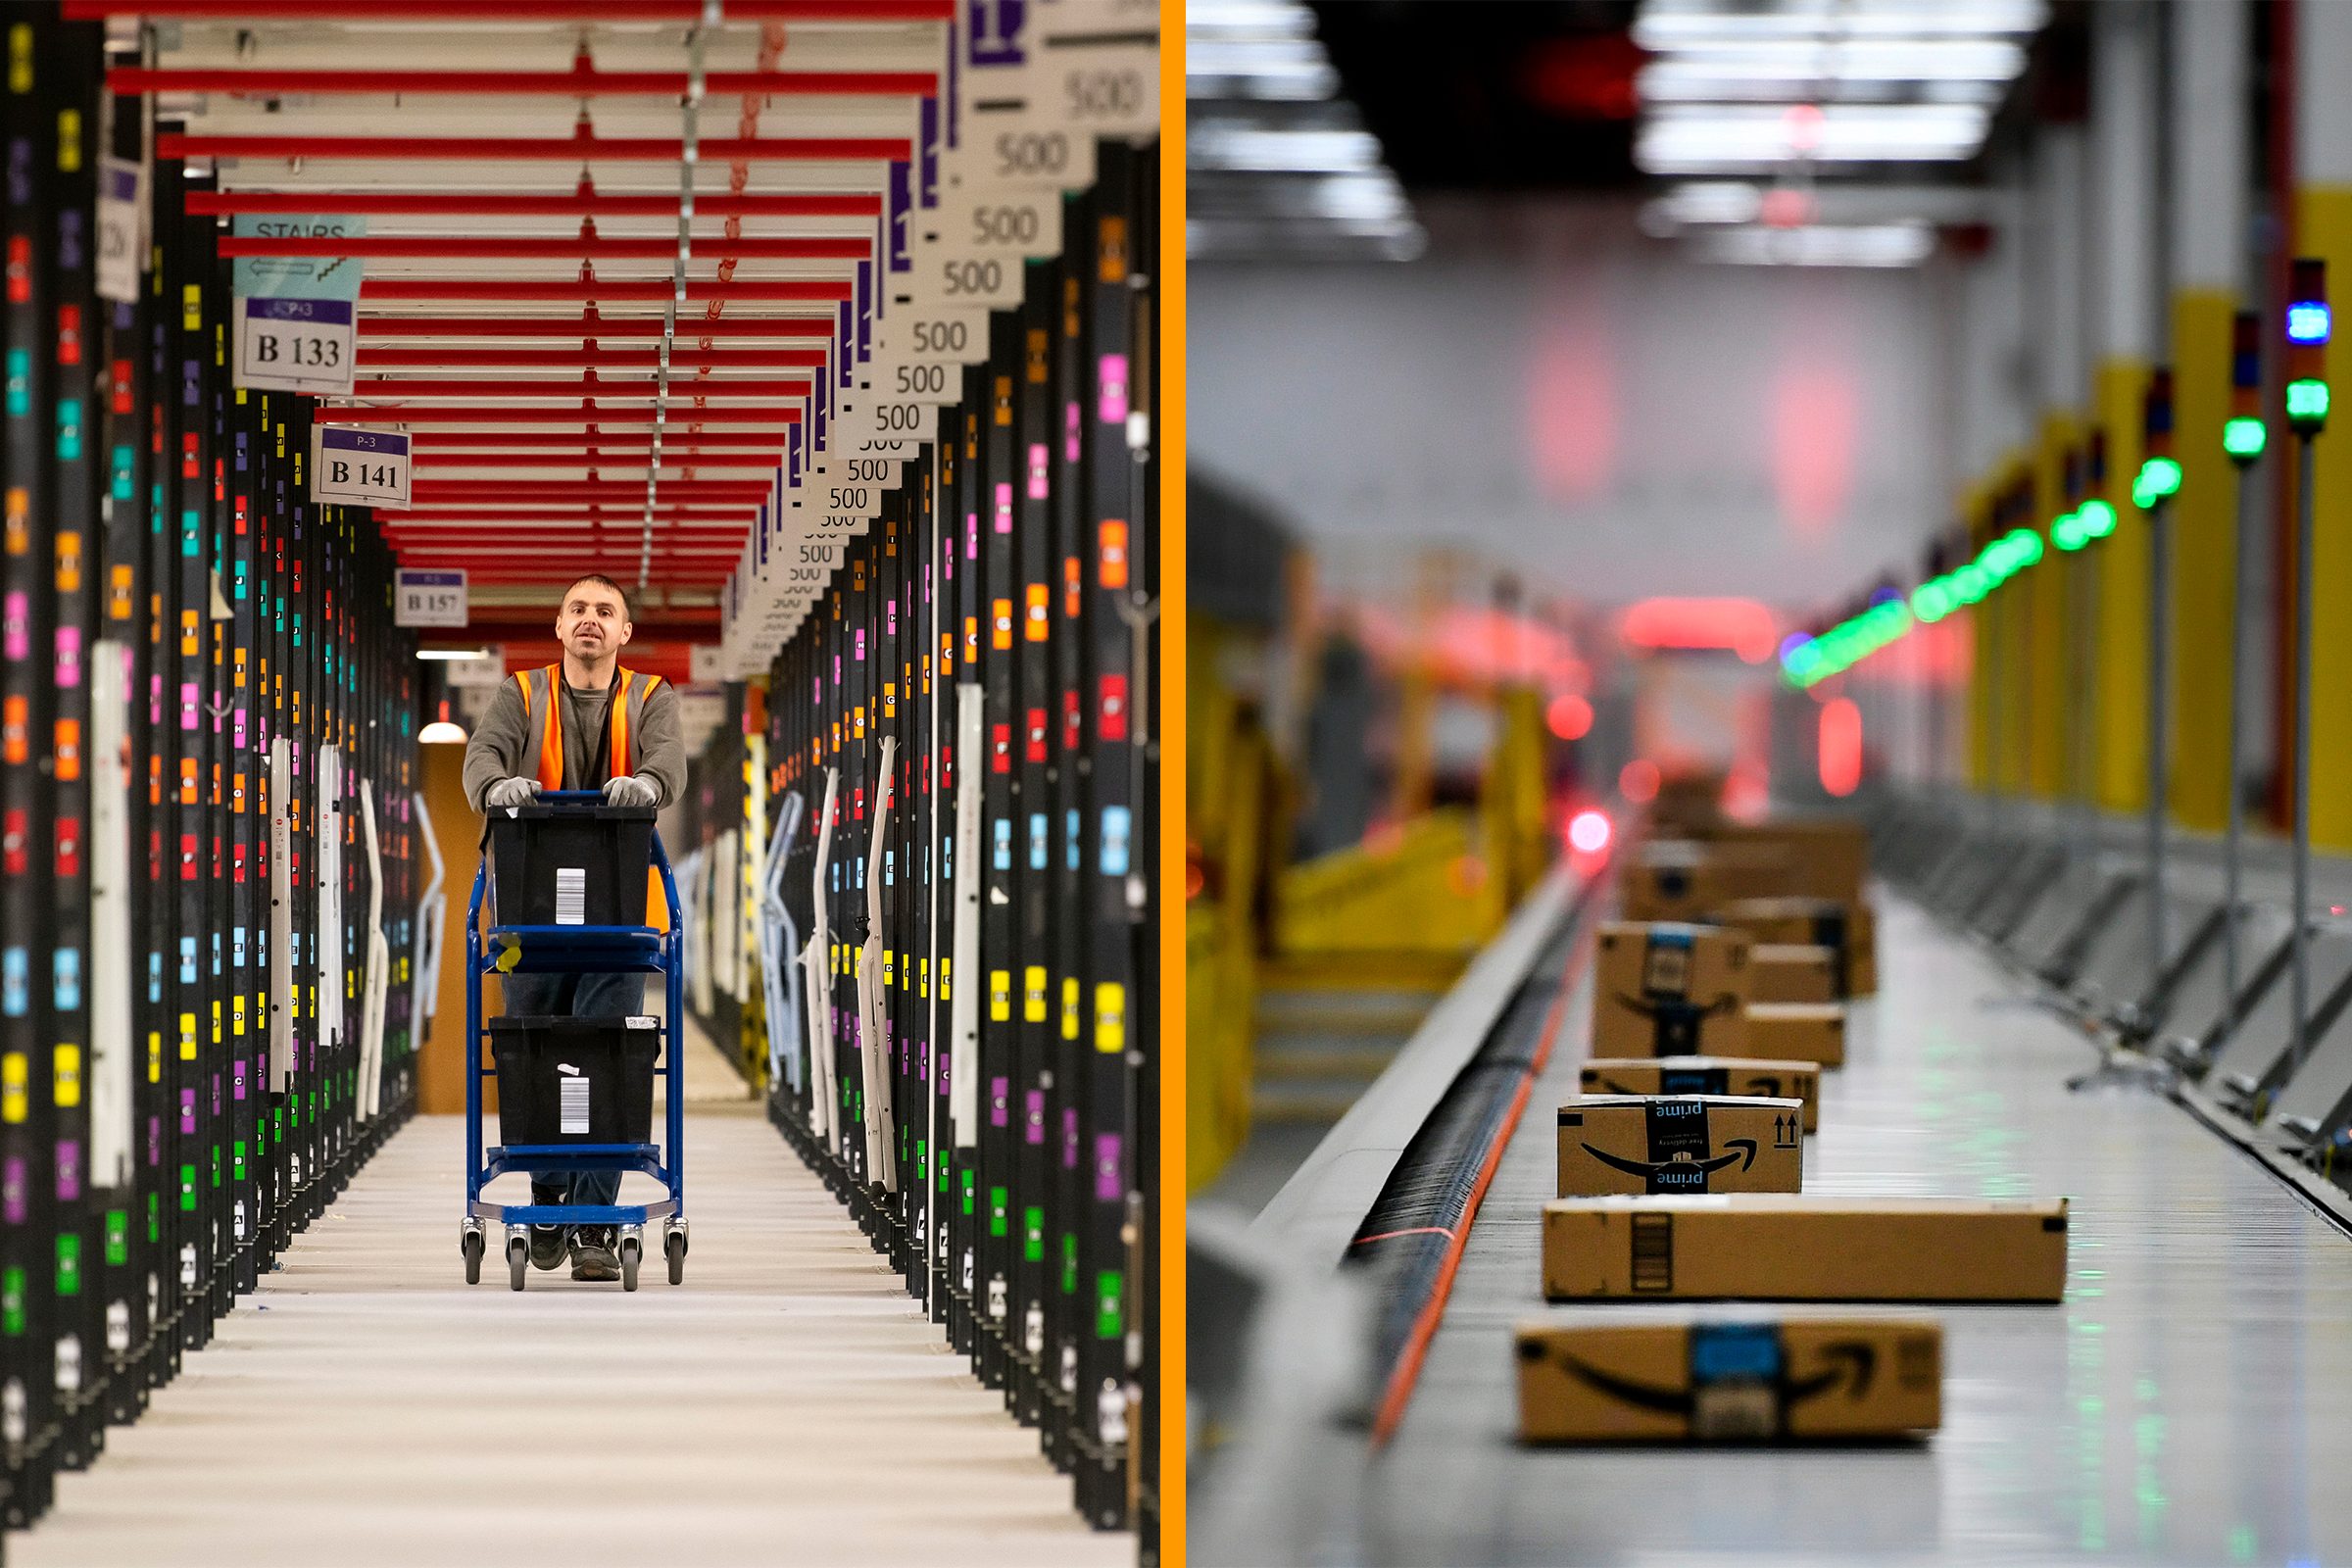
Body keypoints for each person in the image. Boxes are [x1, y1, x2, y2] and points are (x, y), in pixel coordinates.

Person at [463, 573, 685, 1282]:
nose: (591, 620)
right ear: (559, 627)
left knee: (604, 1052)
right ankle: (547, 1199)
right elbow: (482, 756)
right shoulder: (520, 695)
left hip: (620, 925)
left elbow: (668, 761)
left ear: (624, 632)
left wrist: (647, 786)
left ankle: (594, 1217)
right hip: (529, 924)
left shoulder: (652, 697)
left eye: (606, 612)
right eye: (579, 610)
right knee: (537, 1051)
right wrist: (496, 787)